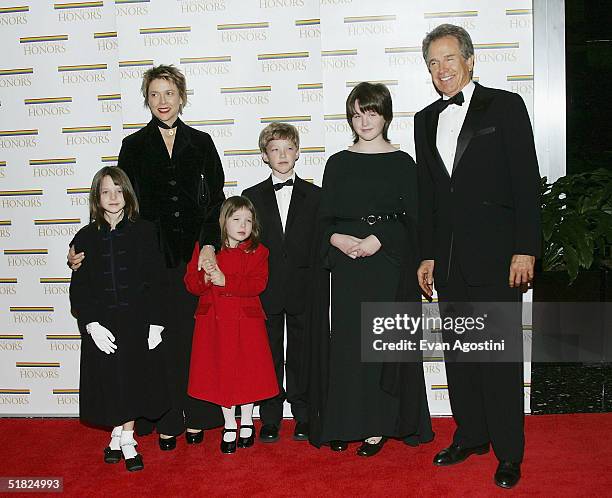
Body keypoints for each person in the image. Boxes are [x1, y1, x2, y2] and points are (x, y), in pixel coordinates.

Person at [68, 64, 225, 450]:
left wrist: (208, 245)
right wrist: (80, 252)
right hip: (151, 262)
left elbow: (216, 202)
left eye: (168, 93)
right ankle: (167, 418)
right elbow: (123, 207)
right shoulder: (133, 147)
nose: (162, 102)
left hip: (192, 260)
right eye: (154, 94)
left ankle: (198, 415)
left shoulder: (202, 143)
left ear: (181, 97)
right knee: (160, 343)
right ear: (146, 100)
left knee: (194, 339)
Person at [414, 24, 541, 489]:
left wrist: (525, 247)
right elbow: (429, 194)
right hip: (447, 261)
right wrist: (426, 255)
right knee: (461, 357)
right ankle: (471, 436)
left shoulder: (504, 106)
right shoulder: (424, 118)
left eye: (449, 59)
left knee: (499, 359)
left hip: (497, 255)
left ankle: (509, 452)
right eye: (432, 62)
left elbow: (526, 181)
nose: (441, 69)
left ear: (470, 60)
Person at [308, 82, 433, 456]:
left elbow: (415, 222)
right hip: (348, 267)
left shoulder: (402, 162)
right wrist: (337, 240)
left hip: (388, 265)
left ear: (386, 115)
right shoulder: (338, 162)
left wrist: (380, 238)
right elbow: (323, 221)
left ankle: (379, 425)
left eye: (372, 112)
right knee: (349, 345)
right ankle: (347, 422)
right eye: (357, 113)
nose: (364, 121)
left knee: (381, 345)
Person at [69, 167, 169, 472]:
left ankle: (127, 439)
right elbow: (79, 286)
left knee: (131, 381)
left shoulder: (146, 230)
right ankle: (116, 435)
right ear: (96, 199)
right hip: (103, 324)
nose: (113, 197)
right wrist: (91, 324)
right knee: (109, 382)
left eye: (118, 190)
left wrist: (156, 323)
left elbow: (157, 280)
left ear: (128, 193)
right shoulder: (84, 237)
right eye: (105, 192)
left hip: (136, 322)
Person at [242, 122, 321, 443]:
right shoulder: (251, 197)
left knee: (303, 352)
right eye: (275, 149)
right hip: (265, 287)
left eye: (289, 148)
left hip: (304, 286)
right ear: (264, 156)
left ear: (298, 152)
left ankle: (302, 414)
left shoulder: (316, 195)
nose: (283, 154)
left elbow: (320, 243)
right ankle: (270, 416)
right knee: (268, 353)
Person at [185, 196, 278, 453]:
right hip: (213, 323)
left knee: (247, 373)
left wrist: (226, 280)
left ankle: (247, 420)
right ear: (222, 222)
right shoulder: (207, 249)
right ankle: (229, 424)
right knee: (222, 373)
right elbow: (191, 284)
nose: (242, 225)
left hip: (246, 323)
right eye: (236, 219)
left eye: (248, 220)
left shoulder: (259, 252)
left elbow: (258, 284)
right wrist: (206, 277)